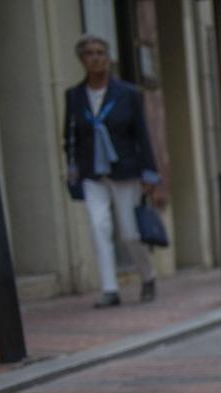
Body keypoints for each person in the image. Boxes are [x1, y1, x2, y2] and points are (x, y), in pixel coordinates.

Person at [64, 34, 160, 307]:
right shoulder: (74, 96)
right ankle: (109, 289)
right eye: (89, 54)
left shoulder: (127, 94)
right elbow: (70, 137)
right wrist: (72, 172)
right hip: (91, 173)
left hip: (125, 170)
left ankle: (148, 275)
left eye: (100, 53)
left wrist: (149, 174)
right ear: (82, 60)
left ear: (108, 58)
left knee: (130, 233)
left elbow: (142, 134)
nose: (95, 58)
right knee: (98, 227)